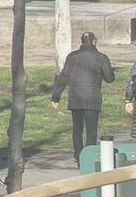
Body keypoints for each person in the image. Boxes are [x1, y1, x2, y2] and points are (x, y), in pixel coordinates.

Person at [50, 31, 116, 164]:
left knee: (77, 130)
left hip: (76, 98)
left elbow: (64, 77)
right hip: (92, 98)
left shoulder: (72, 57)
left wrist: (56, 96)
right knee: (91, 131)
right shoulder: (101, 57)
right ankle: (88, 158)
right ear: (94, 41)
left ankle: (78, 156)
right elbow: (110, 78)